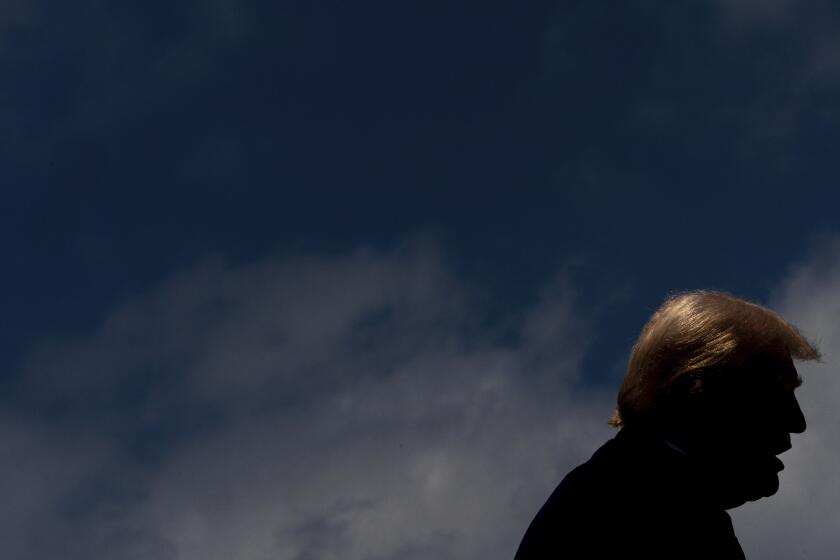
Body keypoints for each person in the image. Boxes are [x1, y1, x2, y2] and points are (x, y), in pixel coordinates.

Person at [514, 290, 820, 559]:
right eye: (775, 395)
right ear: (700, 394)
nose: (798, 422)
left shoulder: (625, 494)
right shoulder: (648, 514)